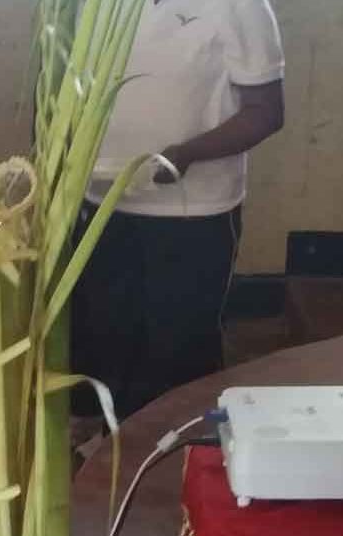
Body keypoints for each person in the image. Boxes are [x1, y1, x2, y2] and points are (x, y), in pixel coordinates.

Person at [72, 0, 285, 430]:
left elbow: (266, 112)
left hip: (192, 216)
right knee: (106, 346)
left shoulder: (240, 6)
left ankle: (178, 459)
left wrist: (187, 154)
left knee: (178, 360)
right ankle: (111, 455)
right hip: (102, 205)